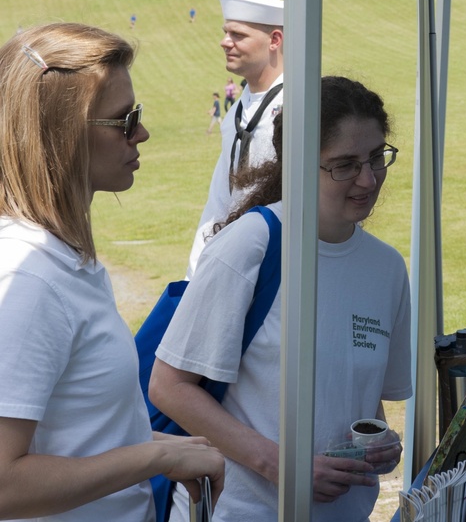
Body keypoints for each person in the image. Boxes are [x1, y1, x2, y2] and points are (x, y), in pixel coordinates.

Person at [150, 75, 412, 522]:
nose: (368, 179)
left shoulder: (386, 268)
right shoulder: (252, 244)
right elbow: (168, 387)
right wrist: (285, 468)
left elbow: (361, 398)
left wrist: (379, 441)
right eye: (345, 164)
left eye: (376, 157)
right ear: (299, 162)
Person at [0, 22, 225, 520]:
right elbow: (4, 484)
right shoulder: (30, 277)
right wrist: (158, 455)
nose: (141, 133)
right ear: (61, 132)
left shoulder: (63, 259)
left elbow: (81, 432)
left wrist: (160, 445)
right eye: (125, 120)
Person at [185, 0, 284, 277]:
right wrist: (195, 273)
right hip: (232, 260)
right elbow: (221, 197)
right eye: (225, 32)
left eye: (237, 35)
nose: (224, 42)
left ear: (274, 40)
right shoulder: (237, 111)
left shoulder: (299, 106)